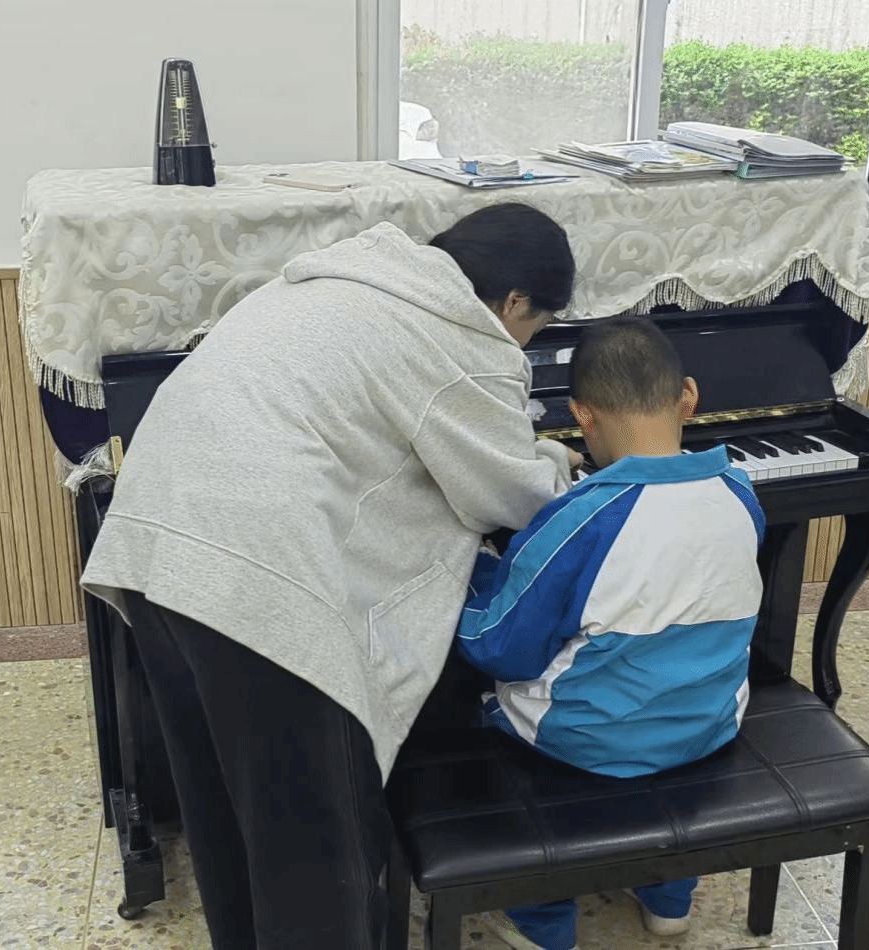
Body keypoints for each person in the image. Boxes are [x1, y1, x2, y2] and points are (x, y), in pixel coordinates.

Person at [80, 203, 584, 950]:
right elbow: (510, 494)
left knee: (226, 815)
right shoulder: (460, 332)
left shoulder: (341, 278)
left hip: (155, 543)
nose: (527, 343)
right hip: (257, 572)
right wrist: (554, 459)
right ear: (515, 302)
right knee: (316, 844)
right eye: (538, 326)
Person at [455, 316, 765, 950]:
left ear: (581, 415)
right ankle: (668, 895)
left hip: (586, 742)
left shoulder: (583, 517)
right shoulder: (740, 491)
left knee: (483, 699)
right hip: (710, 723)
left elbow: (500, 648)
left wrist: (469, 577)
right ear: (687, 396)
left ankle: (542, 915)